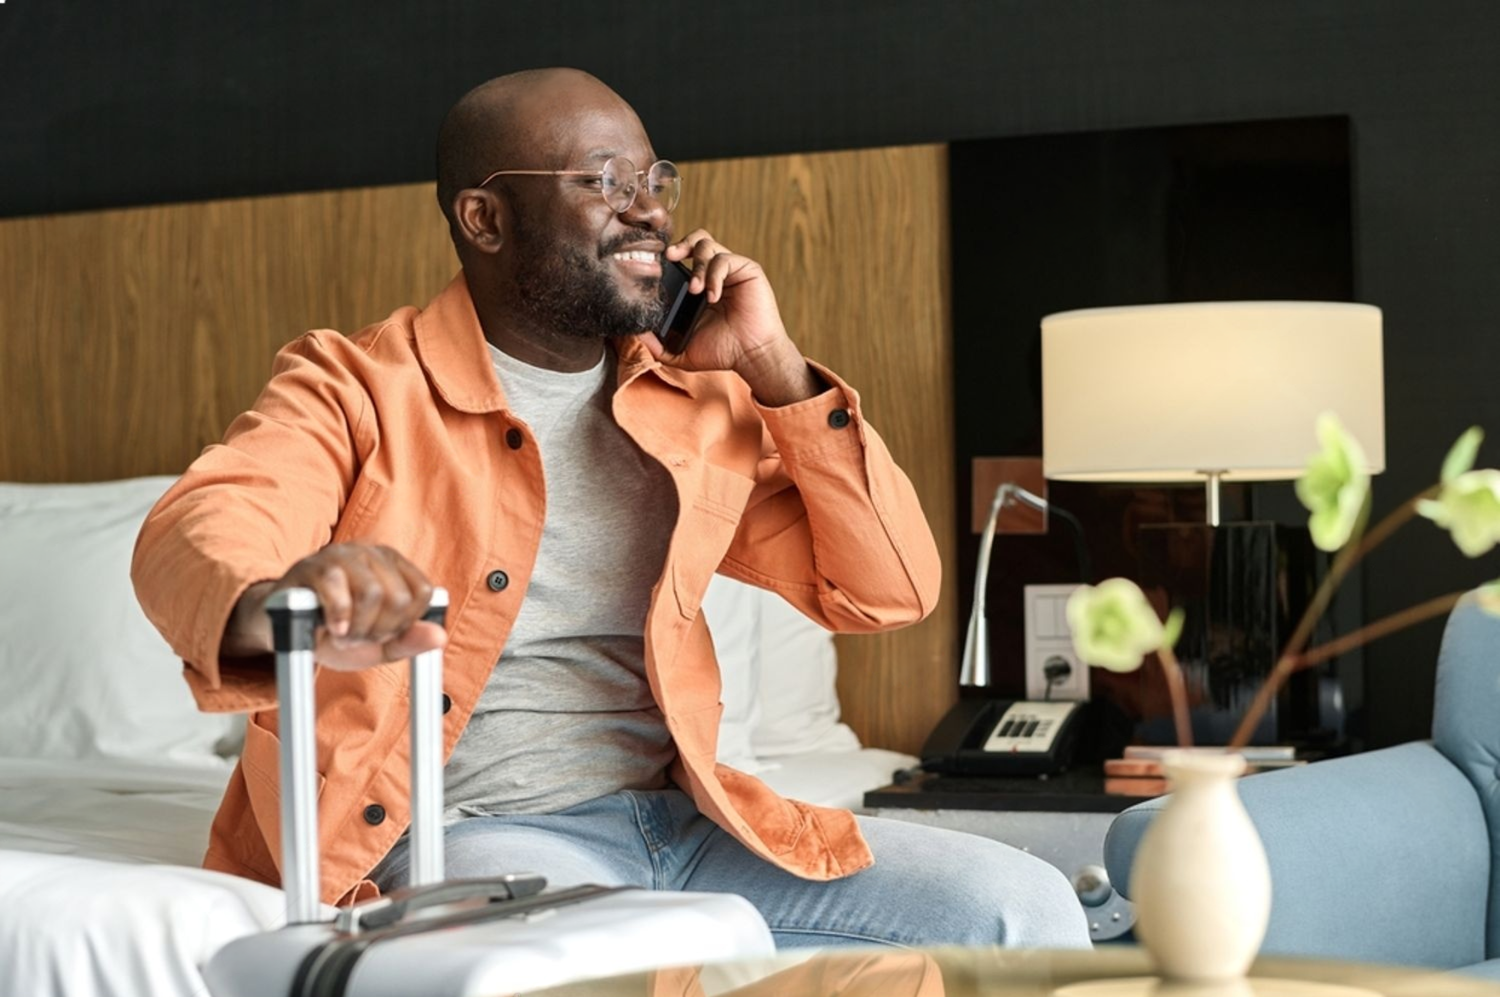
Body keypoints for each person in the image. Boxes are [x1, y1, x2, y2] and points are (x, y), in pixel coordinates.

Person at [132, 67, 1089, 950]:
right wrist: (291, 591)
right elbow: (204, 524)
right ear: (486, 218)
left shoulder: (693, 401)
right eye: (603, 181)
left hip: (685, 822)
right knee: (616, 959)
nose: (651, 213)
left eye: (656, 179)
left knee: (1025, 908)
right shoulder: (356, 386)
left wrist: (773, 367)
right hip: (472, 838)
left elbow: (890, 590)